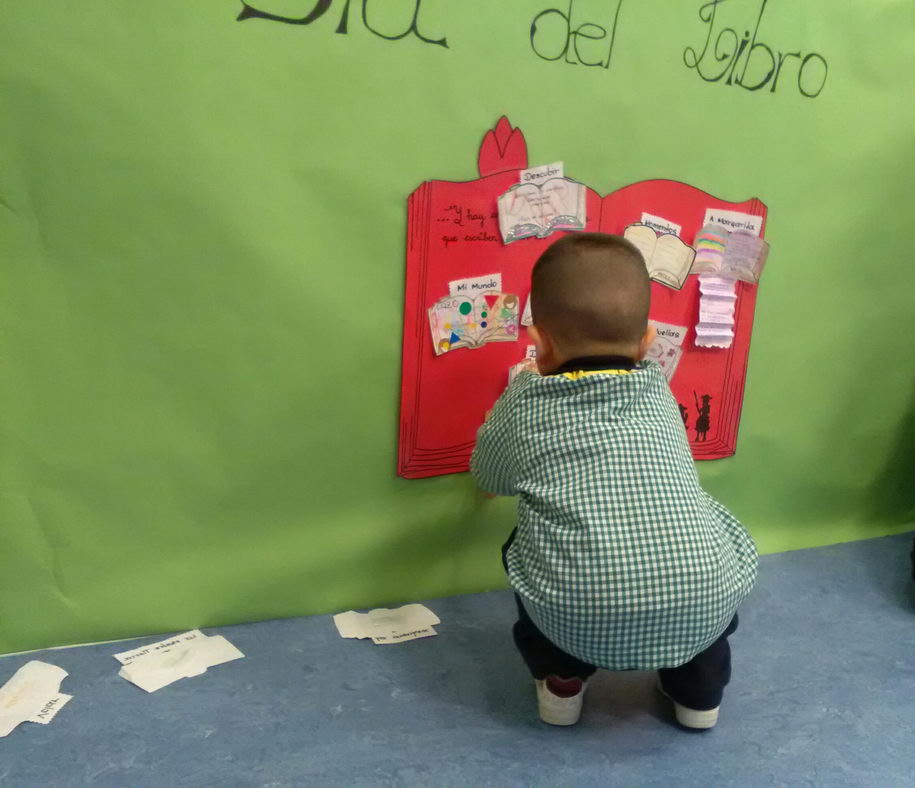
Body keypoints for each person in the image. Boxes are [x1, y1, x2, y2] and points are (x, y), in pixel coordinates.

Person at [471, 233, 758, 730]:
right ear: (647, 342)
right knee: (704, 529)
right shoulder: (659, 394)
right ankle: (699, 698)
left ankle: (561, 684)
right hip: (700, 602)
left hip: (576, 613)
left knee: (523, 544)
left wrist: (492, 483)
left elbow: (489, 475)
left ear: (539, 344)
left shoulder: (524, 400)